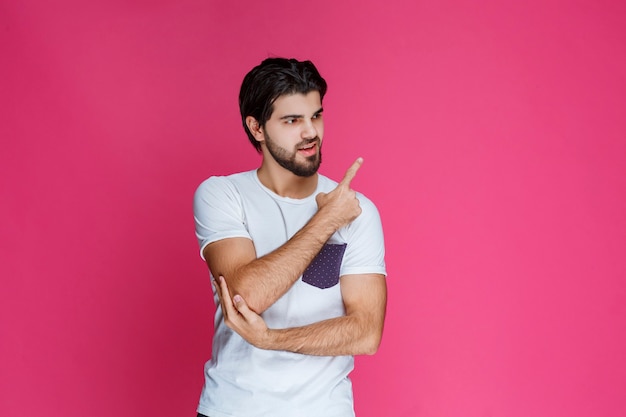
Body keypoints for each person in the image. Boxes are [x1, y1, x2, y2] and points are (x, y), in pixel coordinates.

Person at [193, 57, 387, 417]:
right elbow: (246, 296)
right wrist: (326, 219)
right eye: (292, 120)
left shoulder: (358, 211)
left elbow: (366, 333)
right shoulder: (222, 195)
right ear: (257, 128)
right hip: (232, 408)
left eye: (316, 115)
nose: (310, 132)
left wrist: (271, 340)